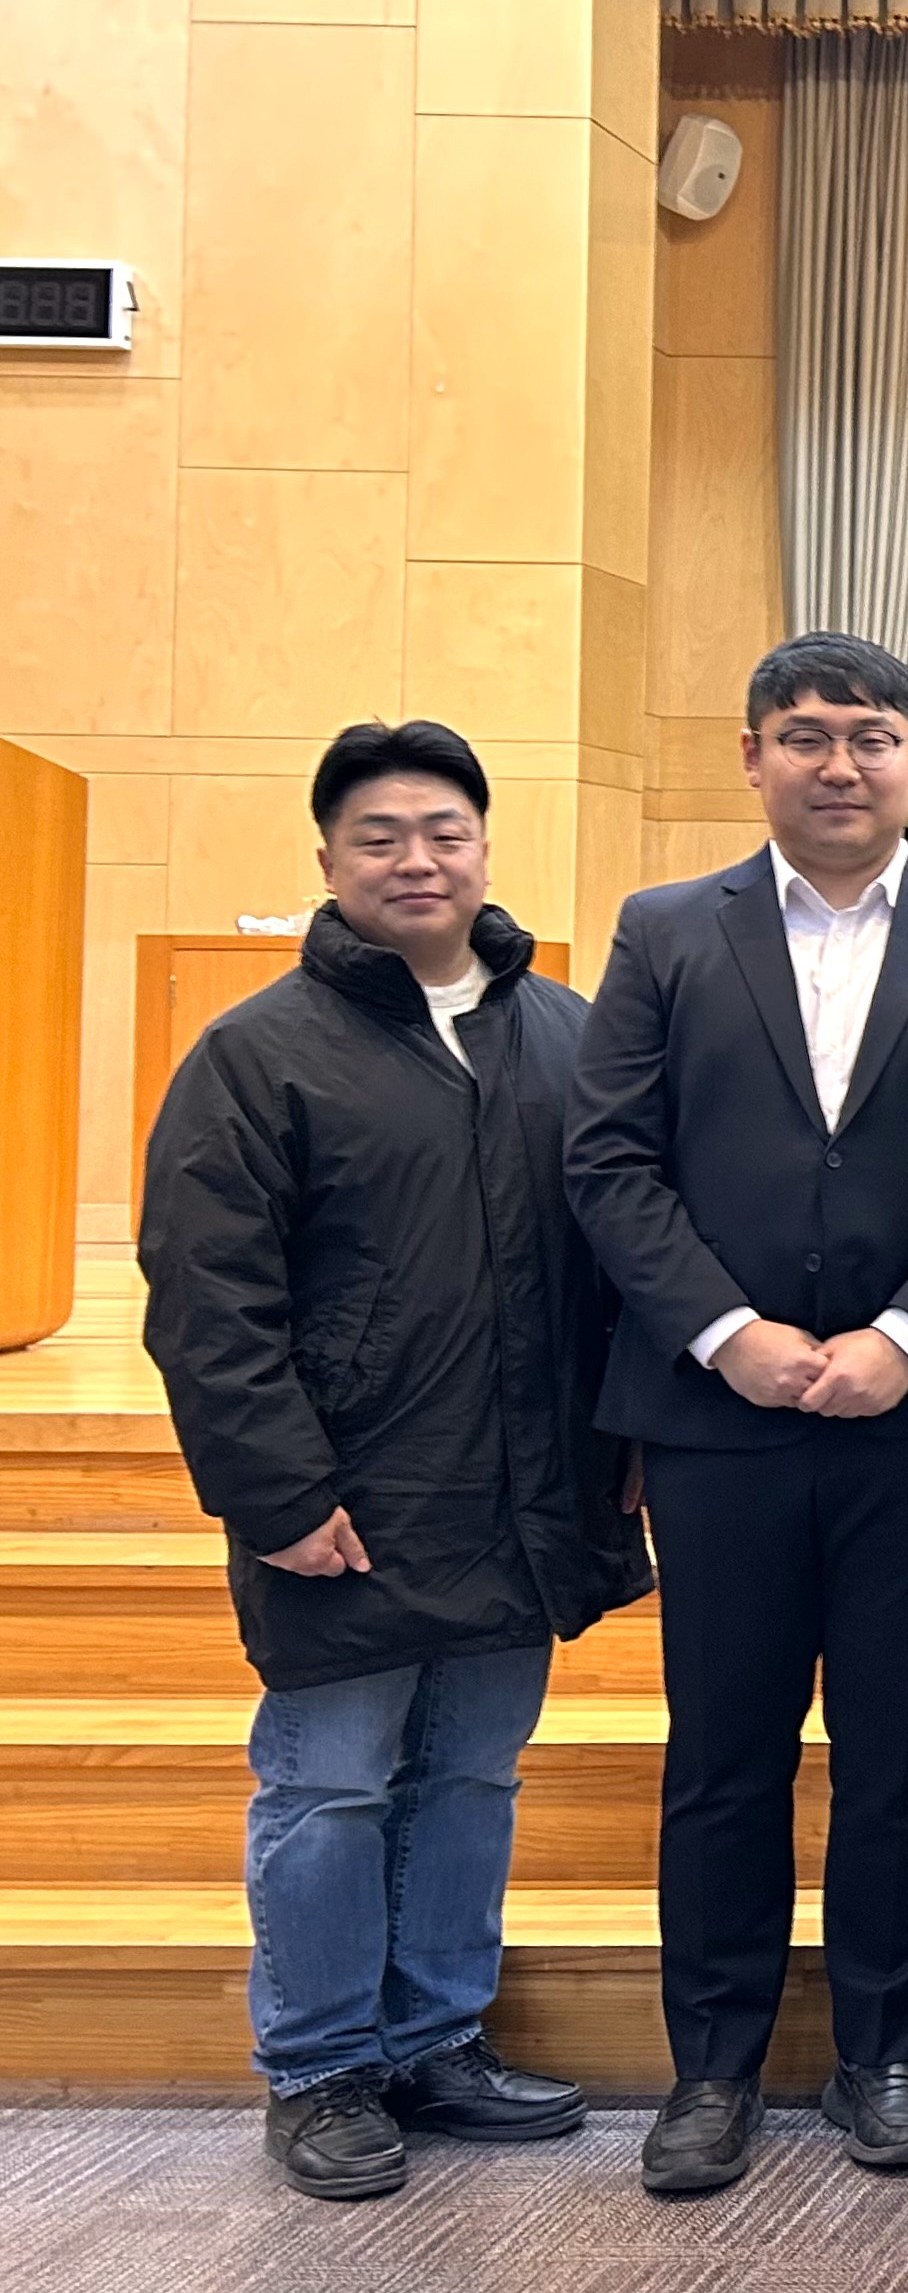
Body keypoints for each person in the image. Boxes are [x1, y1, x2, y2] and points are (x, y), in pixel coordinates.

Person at [566, 632, 908, 2198]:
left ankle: (884, 2055)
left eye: (869, 737)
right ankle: (711, 2070)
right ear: (752, 757)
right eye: (805, 737)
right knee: (722, 1750)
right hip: (720, 1414)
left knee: (899, 1743)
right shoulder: (666, 931)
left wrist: (906, 1339)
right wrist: (727, 1334)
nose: (839, 765)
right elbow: (610, 1159)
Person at [140, 721, 650, 2202]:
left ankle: (435, 2035)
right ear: (328, 861)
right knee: (329, 1786)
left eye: (444, 831)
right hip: (349, 1496)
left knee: (474, 1776)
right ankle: (319, 2068)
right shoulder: (257, 1054)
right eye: (380, 837)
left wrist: (620, 1449)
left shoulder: (563, 1031)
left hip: (527, 1485)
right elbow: (208, 1299)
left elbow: (618, 1263)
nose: (417, 859)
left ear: (486, 847)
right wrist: (280, 1495)